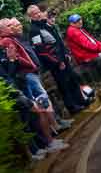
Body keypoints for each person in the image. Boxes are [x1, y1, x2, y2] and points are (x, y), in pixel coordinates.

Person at [0, 19, 69, 155]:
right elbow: (9, 72)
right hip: (18, 83)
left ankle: (47, 142)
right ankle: (46, 143)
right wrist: (15, 61)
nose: (12, 27)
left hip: (20, 81)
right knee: (35, 112)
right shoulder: (6, 42)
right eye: (8, 26)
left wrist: (16, 61)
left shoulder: (12, 39)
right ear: (1, 30)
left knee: (36, 112)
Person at [25, 5, 89, 115]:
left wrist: (66, 53)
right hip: (55, 63)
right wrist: (57, 62)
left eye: (39, 12)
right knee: (64, 84)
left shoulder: (45, 24)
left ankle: (81, 101)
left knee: (73, 79)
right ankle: (72, 107)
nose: (38, 14)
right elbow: (42, 51)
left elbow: (58, 40)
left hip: (63, 58)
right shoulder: (34, 31)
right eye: (35, 13)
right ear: (30, 16)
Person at [64, 15, 101, 81]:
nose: (80, 22)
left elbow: (93, 40)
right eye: (77, 21)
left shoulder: (79, 28)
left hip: (92, 51)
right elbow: (87, 44)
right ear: (71, 23)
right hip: (86, 55)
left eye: (80, 19)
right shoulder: (72, 31)